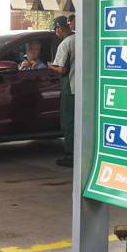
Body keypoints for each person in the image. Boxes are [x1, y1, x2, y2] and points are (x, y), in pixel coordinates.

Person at [49, 16, 75, 167]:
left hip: (69, 89)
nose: (55, 33)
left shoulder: (65, 44)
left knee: (68, 123)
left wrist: (50, 66)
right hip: (83, 87)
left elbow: (62, 69)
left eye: (55, 29)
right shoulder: (79, 38)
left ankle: (70, 156)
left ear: (60, 28)